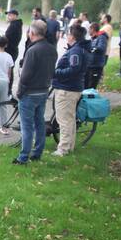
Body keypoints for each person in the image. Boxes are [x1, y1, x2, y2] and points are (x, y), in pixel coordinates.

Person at [12, 20, 57, 165]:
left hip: (30, 93)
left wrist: (19, 91)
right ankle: (37, 152)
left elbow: (25, 75)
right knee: (39, 123)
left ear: (32, 33)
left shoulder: (32, 51)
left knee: (27, 126)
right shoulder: (52, 49)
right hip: (43, 91)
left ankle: (23, 157)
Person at [50, 24, 88, 157]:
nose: (66, 36)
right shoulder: (80, 49)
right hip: (73, 88)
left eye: (68, 34)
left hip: (67, 90)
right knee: (70, 119)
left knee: (64, 120)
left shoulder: (76, 51)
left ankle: (63, 149)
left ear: (72, 36)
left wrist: (56, 73)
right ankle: (69, 146)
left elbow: (74, 69)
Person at [85, 22, 108, 89]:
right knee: (86, 85)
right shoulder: (92, 38)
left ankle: (91, 99)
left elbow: (101, 48)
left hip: (96, 66)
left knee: (92, 86)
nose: (88, 30)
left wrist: (91, 48)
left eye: (89, 29)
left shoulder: (102, 37)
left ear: (93, 29)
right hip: (90, 65)